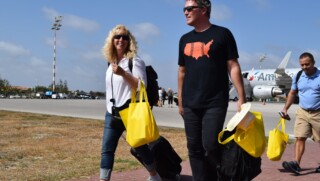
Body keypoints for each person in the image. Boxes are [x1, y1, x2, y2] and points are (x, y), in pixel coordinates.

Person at [178, 0, 246, 180]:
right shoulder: (184, 39)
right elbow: (182, 71)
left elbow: (233, 66)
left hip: (215, 101)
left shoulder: (223, 34)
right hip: (190, 102)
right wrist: (180, 100)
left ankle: (225, 175)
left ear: (203, 9)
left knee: (210, 145)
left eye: (189, 8)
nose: (185, 12)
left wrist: (242, 98)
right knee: (194, 148)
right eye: (184, 9)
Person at [100, 24, 162, 181]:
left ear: (130, 41)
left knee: (139, 146)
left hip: (130, 113)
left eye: (125, 37)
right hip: (112, 113)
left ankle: (154, 176)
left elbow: (141, 86)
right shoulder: (110, 62)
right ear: (111, 40)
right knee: (107, 150)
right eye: (117, 37)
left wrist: (122, 74)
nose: (121, 39)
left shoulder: (134, 61)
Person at [281, 52, 320, 175]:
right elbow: (292, 93)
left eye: (307, 64)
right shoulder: (298, 76)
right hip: (302, 112)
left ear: (313, 63)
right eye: (302, 65)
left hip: (318, 113)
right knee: (300, 137)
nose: (304, 67)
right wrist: (285, 108)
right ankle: (296, 164)